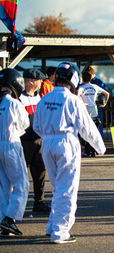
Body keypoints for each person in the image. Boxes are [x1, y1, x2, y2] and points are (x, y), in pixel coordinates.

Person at [34, 62, 106, 244]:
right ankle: (60, 231)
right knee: (67, 189)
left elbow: (36, 126)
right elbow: (86, 127)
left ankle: (52, 226)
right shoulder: (73, 100)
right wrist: (100, 147)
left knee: (58, 187)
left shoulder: (44, 99)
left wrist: (49, 136)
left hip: (47, 143)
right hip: (66, 143)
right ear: (74, 79)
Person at [0, 69, 29, 237]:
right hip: (11, 145)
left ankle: (3, 219)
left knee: (4, 187)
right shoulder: (14, 103)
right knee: (21, 184)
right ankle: (10, 220)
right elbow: (25, 123)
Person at [19, 68, 51, 214]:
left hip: (39, 140)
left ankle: (38, 202)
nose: (41, 83)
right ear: (31, 81)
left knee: (40, 173)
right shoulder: (18, 98)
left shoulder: (41, 98)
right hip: (23, 141)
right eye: (39, 81)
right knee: (19, 174)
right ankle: (16, 203)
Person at [78, 70, 109, 157]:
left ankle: (87, 151)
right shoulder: (95, 86)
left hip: (86, 109)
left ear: (82, 79)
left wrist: (81, 102)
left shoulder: (82, 88)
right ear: (91, 78)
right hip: (94, 109)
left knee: (86, 130)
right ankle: (94, 150)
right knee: (94, 130)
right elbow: (107, 94)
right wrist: (104, 103)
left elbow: (77, 94)